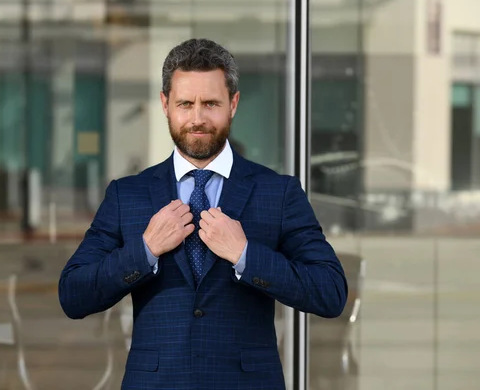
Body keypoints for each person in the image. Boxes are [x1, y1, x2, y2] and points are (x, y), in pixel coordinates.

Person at [59, 38, 348, 390]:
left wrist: (245, 255)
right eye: (186, 103)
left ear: (233, 104)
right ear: (165, 104)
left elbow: (331, 292)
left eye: (211, 103)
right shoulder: (127, 195)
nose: (198, 118)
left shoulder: (279, 192)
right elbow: (73, 295)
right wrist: (145, 249)